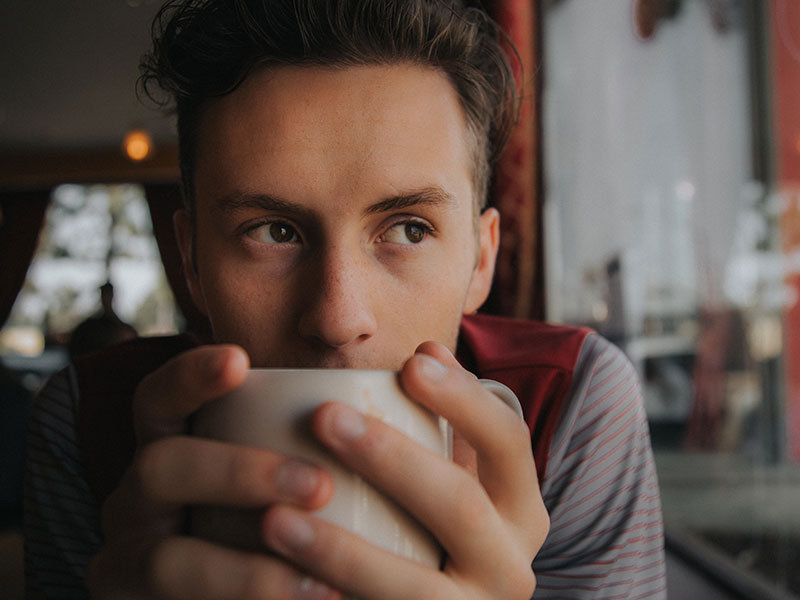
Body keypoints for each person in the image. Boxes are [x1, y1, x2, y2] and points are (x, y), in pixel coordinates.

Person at [24, 1, 666, 598]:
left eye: (410, 229)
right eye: (273, 232)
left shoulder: (573, 404)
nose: (336, 317)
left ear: (481, 258)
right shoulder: (83, 423)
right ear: (191, 261)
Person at [68, 282, 138, 358]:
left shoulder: (124, 330)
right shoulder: (90, 328)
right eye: (105, 294)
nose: (106, 298)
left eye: (108, 294)